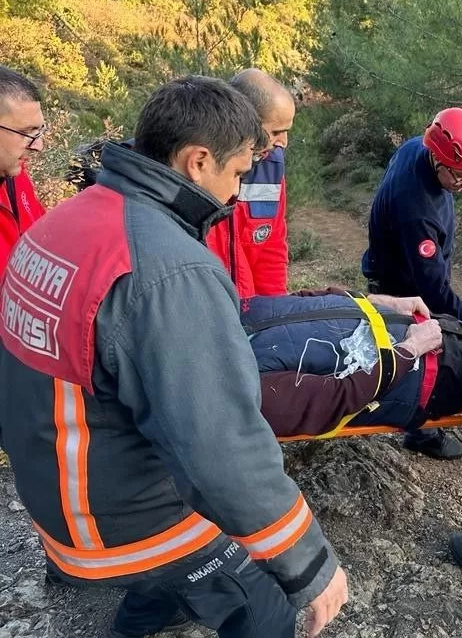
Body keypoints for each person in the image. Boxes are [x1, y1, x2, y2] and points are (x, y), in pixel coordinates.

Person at [0, 76, 347, 638]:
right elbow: (217, 441)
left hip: (56, 483)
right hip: (113, 516)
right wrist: (306, 561)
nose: (236, 195)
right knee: (265, 612)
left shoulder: (70, 219)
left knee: (178, 576)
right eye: (236, 175)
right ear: (197, 160)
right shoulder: (167, 269)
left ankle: (141, 617)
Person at [362, 107, 462, 460]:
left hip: (403, 263)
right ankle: (422, 432)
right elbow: (433, 291)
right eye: (461, 177)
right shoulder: (416, 207)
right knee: (427, 348)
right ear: (439, 161)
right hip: (401, 283)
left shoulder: (417, 147)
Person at [243, 291, 462, 438]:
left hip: (417, 328)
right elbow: (338, 398)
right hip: (425, 378)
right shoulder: (243, 383)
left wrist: (374, 300)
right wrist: (410, 350)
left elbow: (301, 300)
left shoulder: (228, 312)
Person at [206, 68, 294, 298]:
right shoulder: (200, 168)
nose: (283, 142)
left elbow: (271, 249)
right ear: (244, 120)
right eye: (276, 131)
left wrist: (273, 313)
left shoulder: (271, 168)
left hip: (250, 309)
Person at [0, 66, 47, 270]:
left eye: (39, 130)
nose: (38, 146)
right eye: (26, 132)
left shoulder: (15, 176)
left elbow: (44, 234)